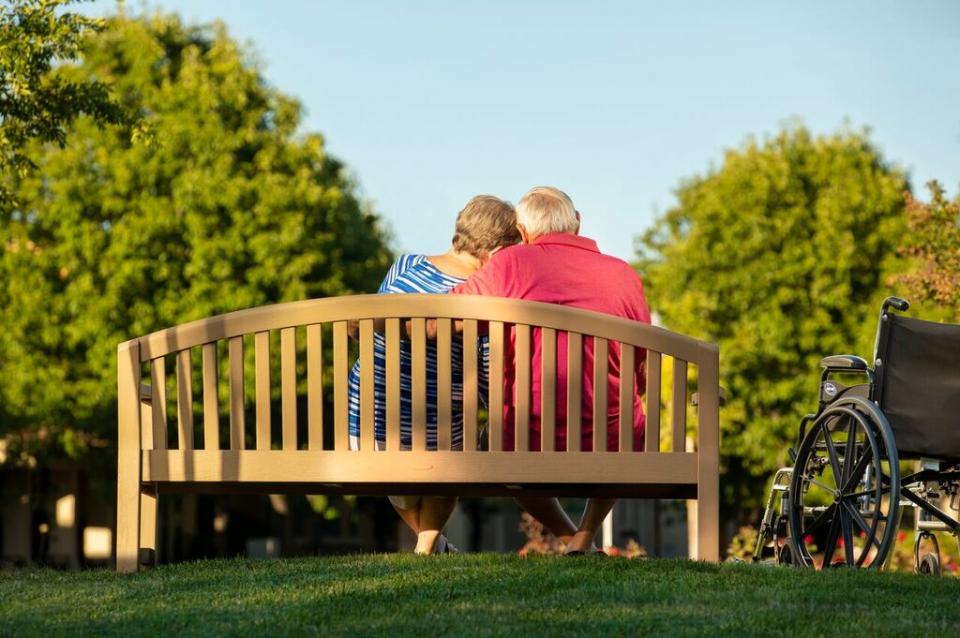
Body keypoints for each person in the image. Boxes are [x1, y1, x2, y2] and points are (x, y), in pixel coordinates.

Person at [450, 186, 650, 554]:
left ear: (523, 233)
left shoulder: (510, 264)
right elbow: (642, 370)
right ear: (577, 223)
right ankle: (584, 538)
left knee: (494, 441)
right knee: (628, 419)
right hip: (613, 441)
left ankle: (572, 537)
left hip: (526, 438)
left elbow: (446, 315)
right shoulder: (624, 275)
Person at [346, 195, 519, 554]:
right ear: (498, 251)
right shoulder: (479, 297)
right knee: (456, 441)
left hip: (367, 428)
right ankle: (428, 547)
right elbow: (486, 372)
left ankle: (431, 547)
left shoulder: (405, 265)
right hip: (439, 437)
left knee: (409, 454)